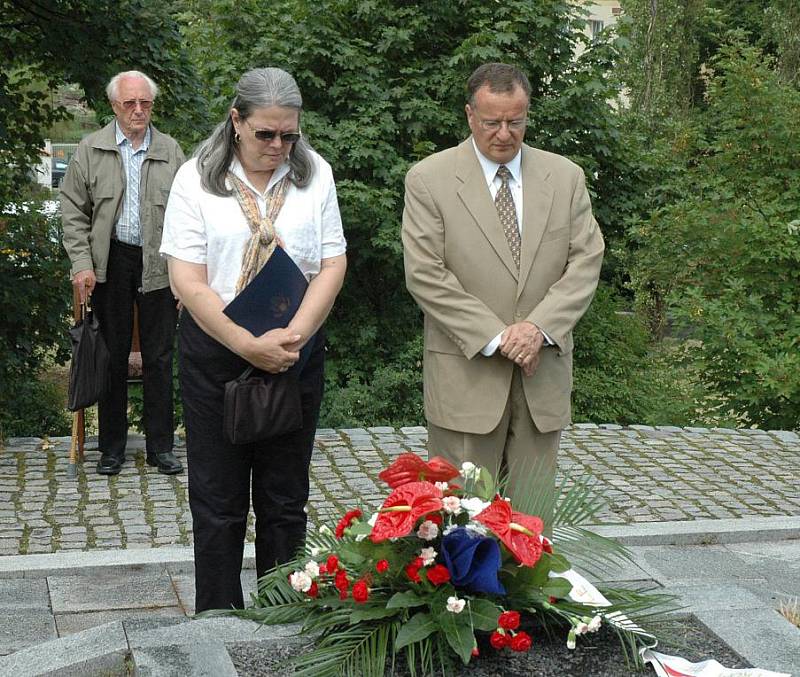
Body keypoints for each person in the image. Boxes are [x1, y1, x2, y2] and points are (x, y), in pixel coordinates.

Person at [160, 67, 347, 613]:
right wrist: (246, 344)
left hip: (295, 350)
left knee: (285, 498)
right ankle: (219, 617)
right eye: (265, 134)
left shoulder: (316, 176)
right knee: (218, 502)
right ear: (236, 121)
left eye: (289, 134)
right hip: (219, 354)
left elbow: (332, 263)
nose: (278, 146)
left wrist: (295, 336)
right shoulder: (195, 178)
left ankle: (284, 612)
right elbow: (187, 280)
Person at [402, 63, 604, 516]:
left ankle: (530, 591)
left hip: (542, 375)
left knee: (532, 525)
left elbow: (586, 260)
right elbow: (426, 274)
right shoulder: (428, 180)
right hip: (465, 377)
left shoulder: (565, 177)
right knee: (459, 525)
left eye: (516, 120)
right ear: (470, 115)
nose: (504, 133)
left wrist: (537, 329)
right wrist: (500, 338)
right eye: (492, 122)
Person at [61, 70, 185, 476]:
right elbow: (73, 213)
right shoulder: (90, 148)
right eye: (129, 103)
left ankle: (160, 448)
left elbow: (188, 218)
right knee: (110, 356)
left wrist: (187, 275)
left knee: (160, 357)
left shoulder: (170, 150)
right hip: (109, 262)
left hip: (160, 263)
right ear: (114, 106)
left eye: (145, 103)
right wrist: (82, 265)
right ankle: (111, 448)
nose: (138, 110)